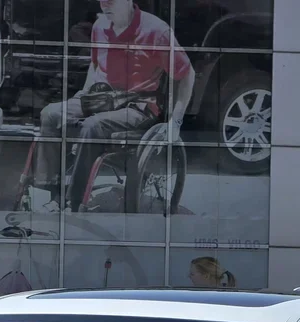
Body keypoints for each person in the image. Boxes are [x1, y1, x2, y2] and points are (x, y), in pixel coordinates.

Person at [36, 0, 194, 212]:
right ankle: (50, 192)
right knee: (50, 114)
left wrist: (176, 122)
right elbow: (95, 65)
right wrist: (84, 94)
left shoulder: (157, 31)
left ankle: (72, 201)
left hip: (138, 106)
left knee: (92, 127)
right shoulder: (99, 26)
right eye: (103, 1)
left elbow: (187, 75)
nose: (105, 6)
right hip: (102, 98)